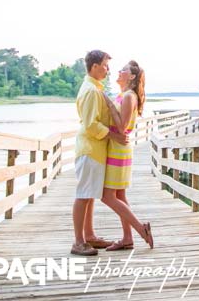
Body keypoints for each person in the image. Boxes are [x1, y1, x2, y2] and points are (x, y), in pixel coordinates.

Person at [70, 50, 128, 256]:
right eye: (105, 65)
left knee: (90, 195)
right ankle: (78, 242)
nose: (108, 69)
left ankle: (90, 236)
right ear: (94, 66)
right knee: (83, 195)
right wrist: (115, 137)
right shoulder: (92, 91)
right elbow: (90, 125)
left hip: (95, 151)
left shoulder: (95, 88)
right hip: (90, 150)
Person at [100, 60, 154, 250]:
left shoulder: (129, 96)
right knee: (120, 195)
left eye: (123, 70)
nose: (119, 71)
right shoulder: (124, 94)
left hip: (118, 148)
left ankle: (141, 229)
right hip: (117, 147)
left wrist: (108, 103)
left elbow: (122, 127)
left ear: (131, 76)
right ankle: (127, 238)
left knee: (107, 196)